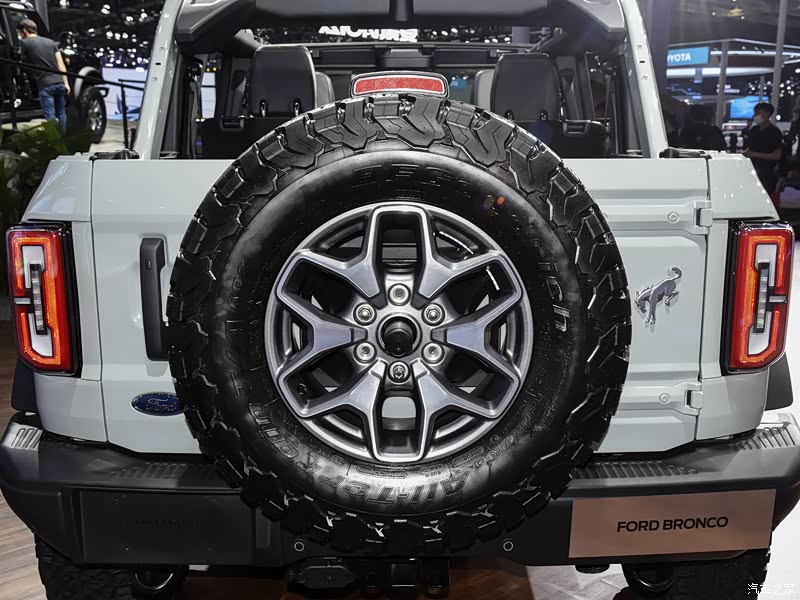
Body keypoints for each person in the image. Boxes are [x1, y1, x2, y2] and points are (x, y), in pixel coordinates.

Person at [16, 18, 69, 132]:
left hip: (45, 84)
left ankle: (53, 139)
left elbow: (19, 61)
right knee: (61, 113)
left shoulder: (24, 43)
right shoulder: (51, 43)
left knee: (50, 115)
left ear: (24, 30)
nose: (19, 35)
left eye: (19, 32)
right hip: (59, 82)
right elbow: (61, 64)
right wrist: (66, 83)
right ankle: (62, 137)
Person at [743, 102, 784, 194]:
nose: (755, 115)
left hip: (767, 173)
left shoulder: (774, 132)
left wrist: (755, 154)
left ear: (767, 113)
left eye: (758, 113)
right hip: (751, 170)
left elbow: (776, 156)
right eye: (755, 113)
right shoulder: (754, 130)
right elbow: (749, 148)